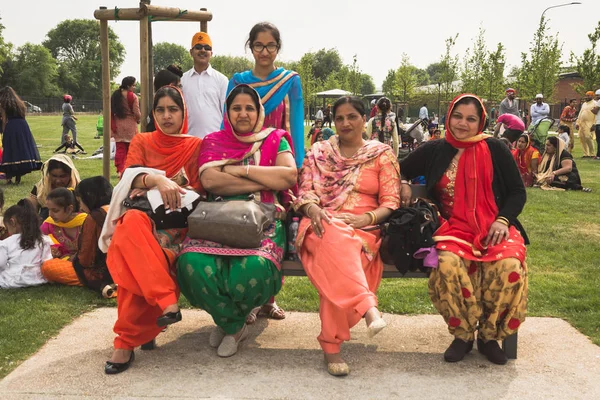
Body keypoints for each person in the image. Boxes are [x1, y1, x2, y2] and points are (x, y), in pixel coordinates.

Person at [400, 94, 528, 366]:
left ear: (481, 121)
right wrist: (403, 182)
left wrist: (503, 220)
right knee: (446, 264)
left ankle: (488, 337)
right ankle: (463, 334)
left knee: (509, 267)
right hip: (453, 229)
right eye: (458, 116)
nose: (462, 124)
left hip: (494, 227)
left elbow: (517, 191)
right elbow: (396, 168)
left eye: (471, 119)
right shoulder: (436, 149)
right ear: (449, 116)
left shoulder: (495, 148)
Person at [177, 84, 297, 357]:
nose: (243, 114)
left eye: (249, 108)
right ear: (227, 112)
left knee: (253, 265)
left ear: (259, 112)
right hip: (217, 217)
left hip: (264, 217)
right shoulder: (213, 141)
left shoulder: (275, 139)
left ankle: (226, 322)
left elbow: (287, 177)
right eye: (236, 108)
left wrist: (239, 169)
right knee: (192, 262)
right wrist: (262, 175)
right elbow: (211, 181)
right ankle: (233, 324)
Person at [293, 96, 400, 376]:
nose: (345, 123)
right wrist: (314, 208)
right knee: (334, 238)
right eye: (339, 118)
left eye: (352, 116)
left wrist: (366, 218)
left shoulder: (381, 154)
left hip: (364, 230)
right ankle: (367, 307)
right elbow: (304, 191)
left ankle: (331, 346)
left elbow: (391, 201)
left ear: (364, 119)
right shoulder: (319, 152)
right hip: (320, 224)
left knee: (337, 257)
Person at [99, 85, 203, 374]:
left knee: (130, 252)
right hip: (143, 218)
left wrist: (175, 187)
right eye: (160, 110)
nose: (167, 116)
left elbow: (201, 186)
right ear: (152, 114)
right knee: (130, 227)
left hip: (175, 223)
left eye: (173, 109)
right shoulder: (142, 140)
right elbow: (129, 176)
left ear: (184, 112)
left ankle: (125, 343)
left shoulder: (194, 144)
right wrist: (158, 181)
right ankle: (165, 301)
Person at [226, 22, 305, 168]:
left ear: (278, 47)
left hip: (279, 158)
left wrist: (298, 163)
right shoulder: (237, 82)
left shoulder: (290, 81)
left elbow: (296, 125)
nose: (264, 52)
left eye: (270, 45)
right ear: (250, 47)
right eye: (258, 45)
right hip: (242, 158)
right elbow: (227, 124)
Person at [72, 176, 115, 297]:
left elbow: (85, 259)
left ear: (89, 198)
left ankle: (108, 286)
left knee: (49, 268)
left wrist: (75, 259)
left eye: (80, 201)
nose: (80, 206)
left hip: (106, 272)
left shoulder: (94, 217)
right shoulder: (120, 208)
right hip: (131, 269)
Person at [181, 32, 228, 138]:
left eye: (207, 48)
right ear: (191, 52)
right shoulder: (182, 80)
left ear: (211, 53)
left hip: (215, 141)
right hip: (189, 141)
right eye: (198, 47)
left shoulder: (222, 80)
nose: (203, 50)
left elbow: (226, 114)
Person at [0, 200, 52, 289]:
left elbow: (1, 264)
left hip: (12, 281)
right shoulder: (44, 240)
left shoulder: (6, 243)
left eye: (7, 228)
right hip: (38, 279)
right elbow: (47, 262)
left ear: (12, 222)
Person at [39, 188, 86, 286]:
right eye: (49, 210)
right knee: (47, 267)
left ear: (69, 209)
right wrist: (51, 251)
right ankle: (88, 280)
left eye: (55, 210)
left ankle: (87, 279)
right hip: (64, 265)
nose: (50, 214)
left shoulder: (85, 221)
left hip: (86, 263)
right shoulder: (48, 225)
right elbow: (38, 245)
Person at [0, 86, 43, 184]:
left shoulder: (4, 105)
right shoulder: (20, 104)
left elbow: (4, 118)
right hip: (23, 127)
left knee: (10, 149)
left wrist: (4, 132)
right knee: (20, 149)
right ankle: (18, 176)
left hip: (11, 126)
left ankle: (9, 178)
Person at [28, 154, 81, 221]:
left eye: (62, 176)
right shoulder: (40, 188)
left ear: (70, 175)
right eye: (54, 176)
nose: (58, 181)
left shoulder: (79, 188)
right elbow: (30, 212)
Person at [111, 76, 141, 175]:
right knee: (130, 149)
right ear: (128, 86)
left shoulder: (115, 95)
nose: (135, 87)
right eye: (133, 85)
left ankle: (120, 169)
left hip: (118, 124)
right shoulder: (133, 96)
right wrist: (138, 119)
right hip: (130, 125)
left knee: (120, 148)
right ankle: (128, 169)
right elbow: (136, 112)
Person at [575, 91, 597, 158]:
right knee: (582, 138)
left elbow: (596, 115)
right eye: (586, 95)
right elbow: (580, 113)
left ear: (592, 96)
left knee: (588, 137)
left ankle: (592, 154)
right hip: (582, 123)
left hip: (589, 123)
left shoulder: (595, 103)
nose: (587, 97)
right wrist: (577, 123)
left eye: (589, 95)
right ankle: (585, 154)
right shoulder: (584, 104)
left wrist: (594, 124)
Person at [594, 89, 600, 160]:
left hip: (599, 123)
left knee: (598, 140)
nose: (596, 97)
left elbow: (595, 111)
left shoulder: (599, 101)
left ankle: (598, 155)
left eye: (597, 95)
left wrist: (593, 109)